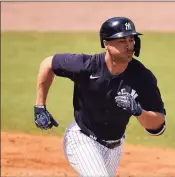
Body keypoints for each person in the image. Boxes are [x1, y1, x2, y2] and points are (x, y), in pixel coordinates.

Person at [34, 17, 166, 177]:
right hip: (81, 138)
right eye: (122, 40)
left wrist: (138, 111)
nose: (129, 45)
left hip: (115, 148)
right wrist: (40, 106)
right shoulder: (86, 66)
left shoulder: (143, 77)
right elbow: (48, 63)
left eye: (131, 39)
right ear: (106, 44)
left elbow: (158, 124)